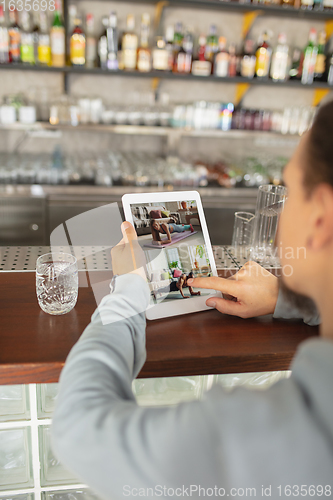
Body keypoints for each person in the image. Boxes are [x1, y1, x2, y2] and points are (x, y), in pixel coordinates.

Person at [52, 102, 333, 499]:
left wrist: (130, 285)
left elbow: (77, 430)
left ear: (319, 217)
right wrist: (285, 298)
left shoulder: (277, 433)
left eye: (287, 191)